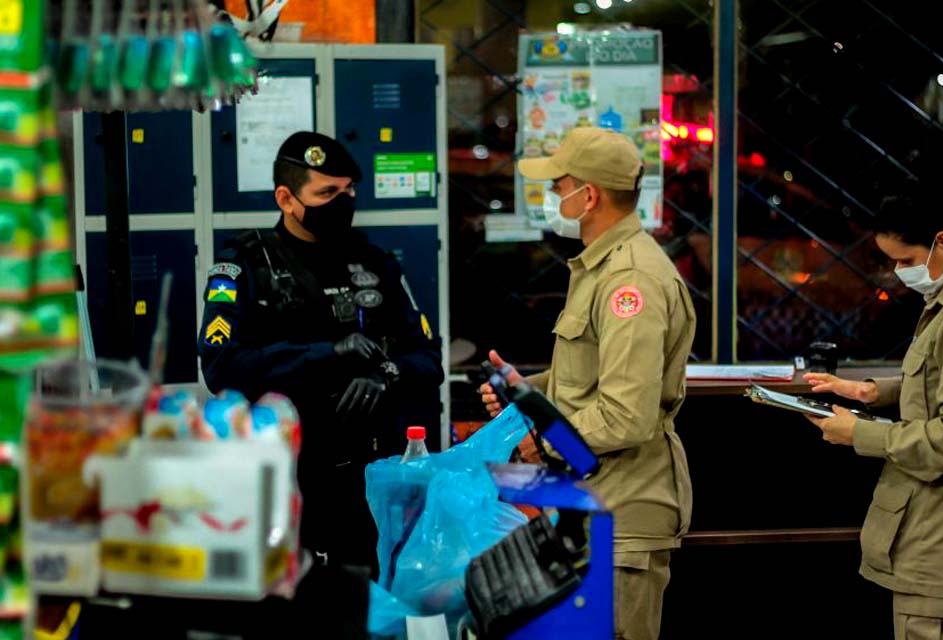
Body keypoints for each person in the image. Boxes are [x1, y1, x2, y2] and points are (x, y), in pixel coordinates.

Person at [479, 127, 696, 640]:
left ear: (589, 195)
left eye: (560, 184)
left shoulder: (631, 283)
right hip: (593, 503)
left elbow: (626, 414)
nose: (554, 195)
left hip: (623, 513)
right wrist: (524, 392)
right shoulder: (600, 269)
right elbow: (588, 376)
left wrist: (543, 441)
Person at [197, 131, 443, 572]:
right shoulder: (245, 267)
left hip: (367, 477)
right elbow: (223, 368)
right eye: (327, 192)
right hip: (284, 475)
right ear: (287, 199)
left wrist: (385, 373)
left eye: (348, 190)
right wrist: (327, 353)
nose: (343, 201)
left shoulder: (375, 263)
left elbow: (427, 360)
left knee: (368, 601)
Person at [804, 194, 943, 640]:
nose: (899, 274)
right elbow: (940, 380)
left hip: (940, 547)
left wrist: (860, 434)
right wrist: (873, 392)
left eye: (906, 260)